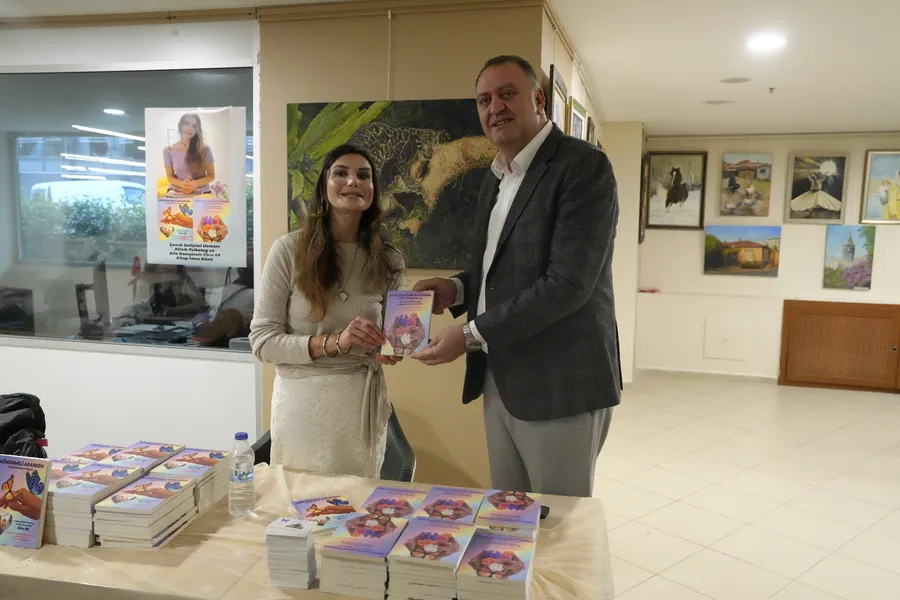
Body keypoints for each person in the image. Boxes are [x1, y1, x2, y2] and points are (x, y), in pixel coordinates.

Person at [413, 55, 621, 498]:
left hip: (559, 383)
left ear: (538, 100)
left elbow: (568, 285)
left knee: (558, 523)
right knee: (507, 518)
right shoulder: (496, 176)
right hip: (500, 376)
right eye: (484, 100)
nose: (495, 108)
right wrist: (456, 288)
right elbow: (499, 266)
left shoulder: (583, 167)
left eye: (507, 94)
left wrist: (468, 335)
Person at [250, 144, 405, 478]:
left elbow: (392, 338)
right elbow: (262, 342)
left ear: (373, 190)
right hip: (302, 407)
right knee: (300, 500)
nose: (353, 181)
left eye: (363, 175)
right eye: (341, 173)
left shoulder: (390, 260)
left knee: (358, 503)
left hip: (360, 408)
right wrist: (336, 341)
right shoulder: (288, 251)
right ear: (324, 186)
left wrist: (394, 346)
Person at [164, 112, 216, 196]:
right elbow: (170, 176)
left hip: (202, 191)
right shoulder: (168, 150)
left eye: (194, 126)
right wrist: (184, 185)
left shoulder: (205, 149)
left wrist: (193, 184)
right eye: (186, 123)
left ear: (197, 130)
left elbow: (211, 175)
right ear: (180, 125)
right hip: (178, 190)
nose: (189, 128)